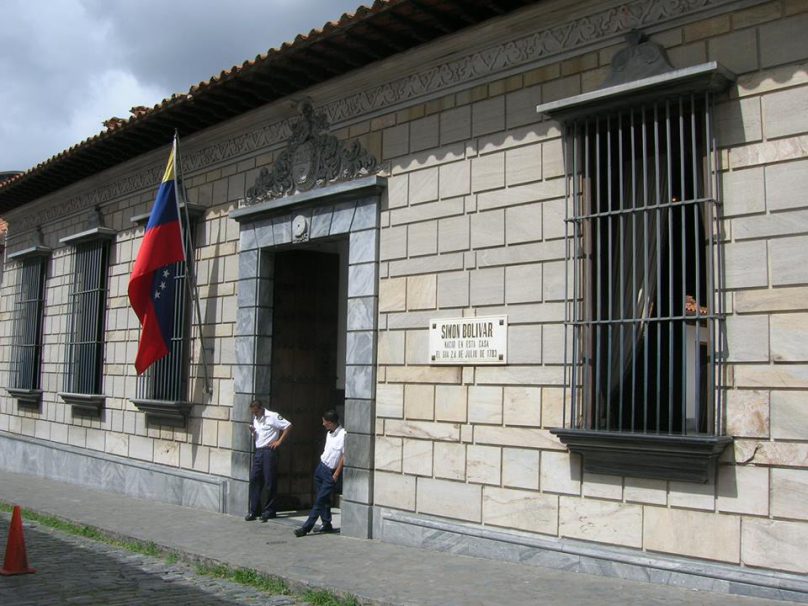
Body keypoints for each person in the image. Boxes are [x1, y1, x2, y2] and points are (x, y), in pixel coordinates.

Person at [294, 409, 346, 537]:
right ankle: (326, 523)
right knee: (324, 500)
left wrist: (336, 474)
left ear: (331, 422)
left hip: (331, 472)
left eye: (325, 422)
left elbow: (344, 456)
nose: (323, 424)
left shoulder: (343, 435)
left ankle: (306, 527)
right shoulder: (329, 433)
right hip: (321, 468)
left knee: (319, 500)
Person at [245, 399, 292, 522]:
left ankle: (269, 510)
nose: (254, 415)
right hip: (259, 450)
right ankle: (254, 510)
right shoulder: (256, 419)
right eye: (253, 413)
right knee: (255, 479)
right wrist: (253, 432)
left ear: (260, 409)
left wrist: (279, 442)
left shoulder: (273, 416)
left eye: (256, 412)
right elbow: (257, 436)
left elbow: (288, 426)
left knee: (269, 480)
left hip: (268, 451)